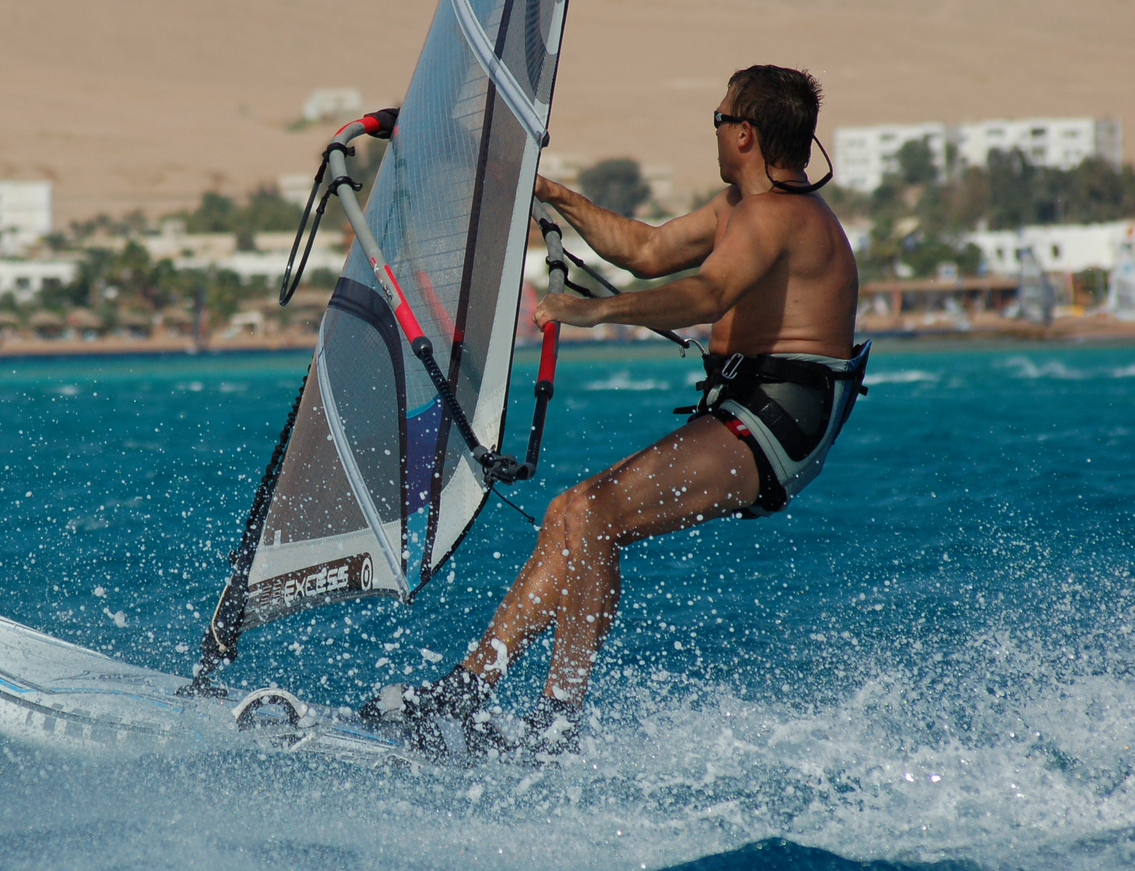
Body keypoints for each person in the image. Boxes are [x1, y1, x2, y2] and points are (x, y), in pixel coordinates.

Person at [362, 65, 867, 755]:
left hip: (777, 419)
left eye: (719, 120)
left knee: (596, 515)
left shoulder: (780, 217)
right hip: (747, 411)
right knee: (572, 511)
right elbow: (648, 250)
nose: (715, 132)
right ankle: (466, 694)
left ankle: (556, 723)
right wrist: (549, 194)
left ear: (744, 134)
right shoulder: (738, 209)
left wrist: (597, 312)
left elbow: (708, 294)